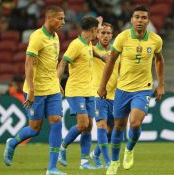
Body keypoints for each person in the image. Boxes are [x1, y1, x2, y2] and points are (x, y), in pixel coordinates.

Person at [97, 5, 165, 174]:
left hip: (143, 88)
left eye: (143, 18)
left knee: (134, 123)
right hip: (122, 89)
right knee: (119, 126)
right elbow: (111, 62)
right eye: (137, 17)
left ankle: (129, 149)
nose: (140, 20)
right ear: (131, 20)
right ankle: (114, 162)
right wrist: (102, 86)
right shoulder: (122, 38)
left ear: (148, 21)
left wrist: (161, 84)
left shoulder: (156, 40)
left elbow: (159, 61)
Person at [3, 6, 66, 175]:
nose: (63, 22)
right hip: (36, 90)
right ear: (49, 18)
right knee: (34, 129)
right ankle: (12, 143)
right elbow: (28, 63)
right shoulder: (37, 37)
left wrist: (57, 82)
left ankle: (52, 168)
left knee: (56, 122)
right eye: (60, 19)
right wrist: (31, 90)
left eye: (63, 19)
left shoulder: (56, 37)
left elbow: (51, 62)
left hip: (52, 88)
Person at [57, 16, 100, 170]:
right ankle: (62, 147)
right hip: (75, 90)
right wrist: (57, 82)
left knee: (88, 127)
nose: (98, 34)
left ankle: (84, 162)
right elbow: (63, 62)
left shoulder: (88, 44)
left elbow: (95, 53)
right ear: (93, 30)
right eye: (98, 31)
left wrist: (106, 58)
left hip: (88, 91)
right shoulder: (76, 45)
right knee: (83, 124)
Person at [89, 22, 120, 169]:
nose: (105, 36)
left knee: (112, 130)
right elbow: (84, 39)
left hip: (115, 96)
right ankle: (108, 161)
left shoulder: (117, 52)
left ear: (112, 35)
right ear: (97, 34)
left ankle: (95, 154)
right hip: (97, 93)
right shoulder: (92, 49)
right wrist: (97, 24)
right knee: (101, 124)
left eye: (108, 33)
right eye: (102, 33)